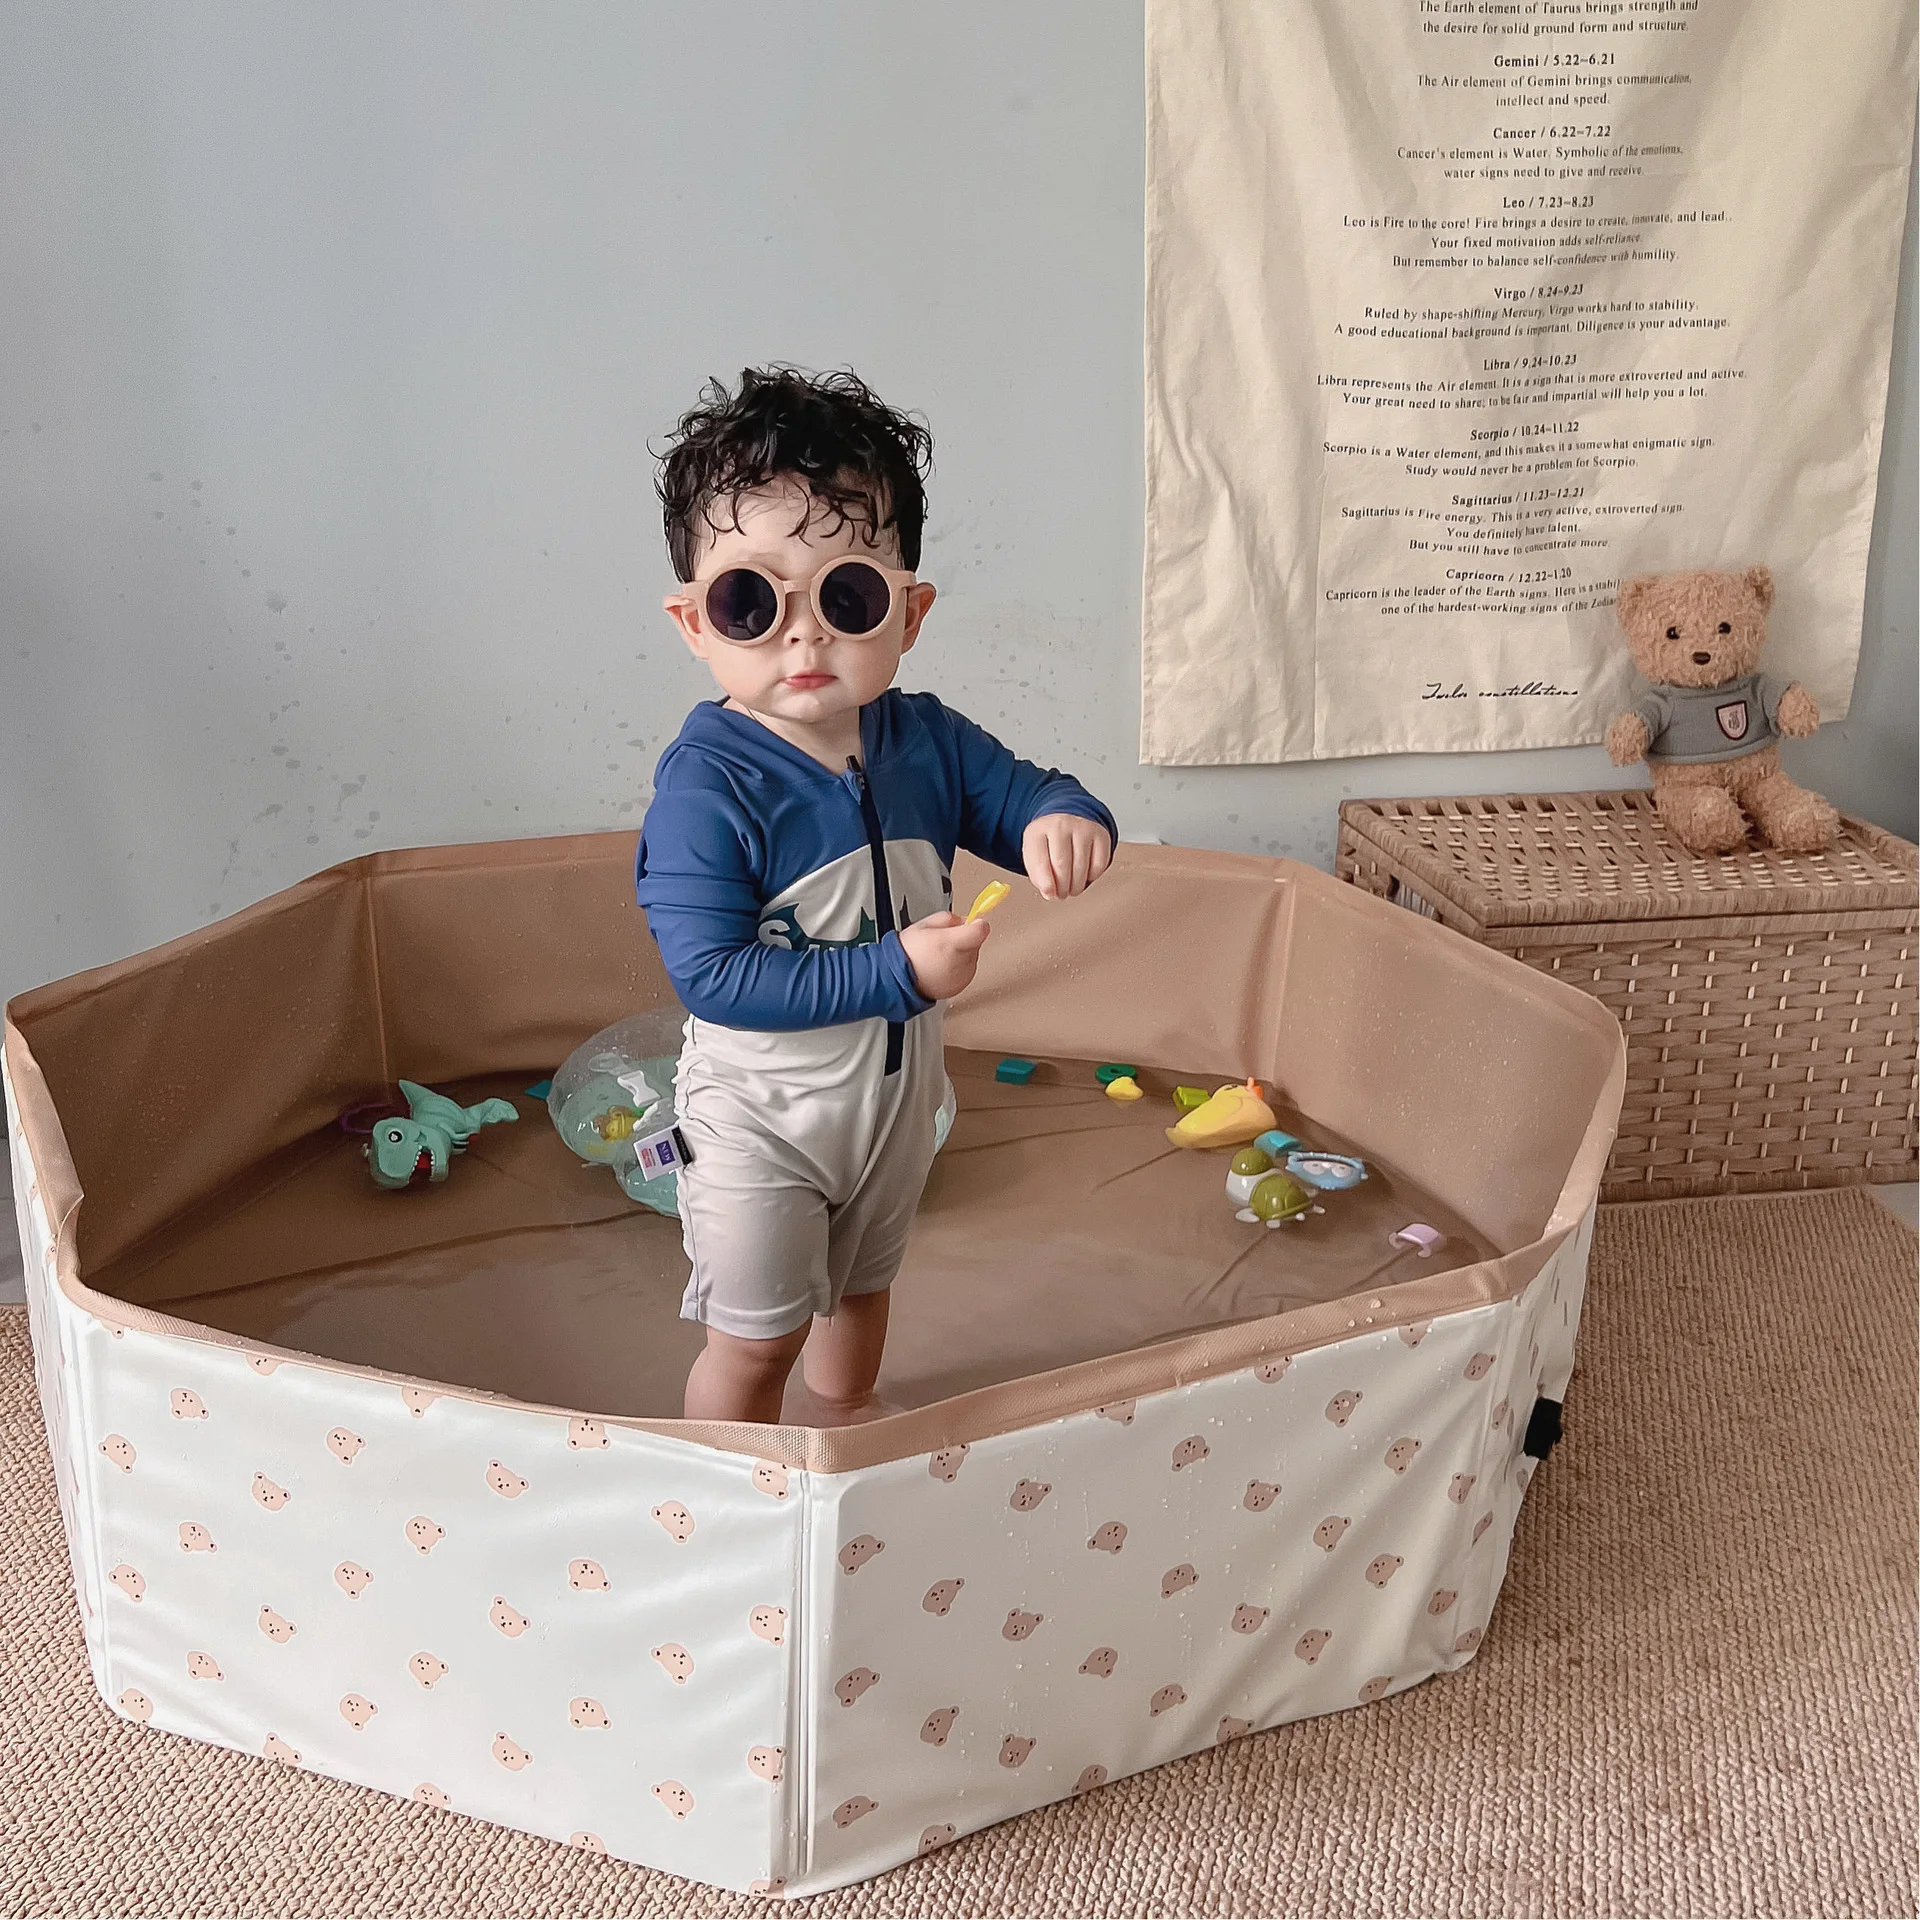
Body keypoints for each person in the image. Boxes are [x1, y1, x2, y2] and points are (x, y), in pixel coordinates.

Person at [636, 366, 1117, 1425]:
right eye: (750, 602)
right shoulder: (708, 787)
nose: (804, 636)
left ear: (908, 611)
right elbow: (713, 978)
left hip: (892, 1110)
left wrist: (1065, 817)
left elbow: (1028, 795)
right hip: (760, 1119)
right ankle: (730, 1486)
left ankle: (848, 1429)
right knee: (755, 1338)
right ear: (694, 623)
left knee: (862, 1291)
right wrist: (896, 969)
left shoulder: (925, 740)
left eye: (845, 597)